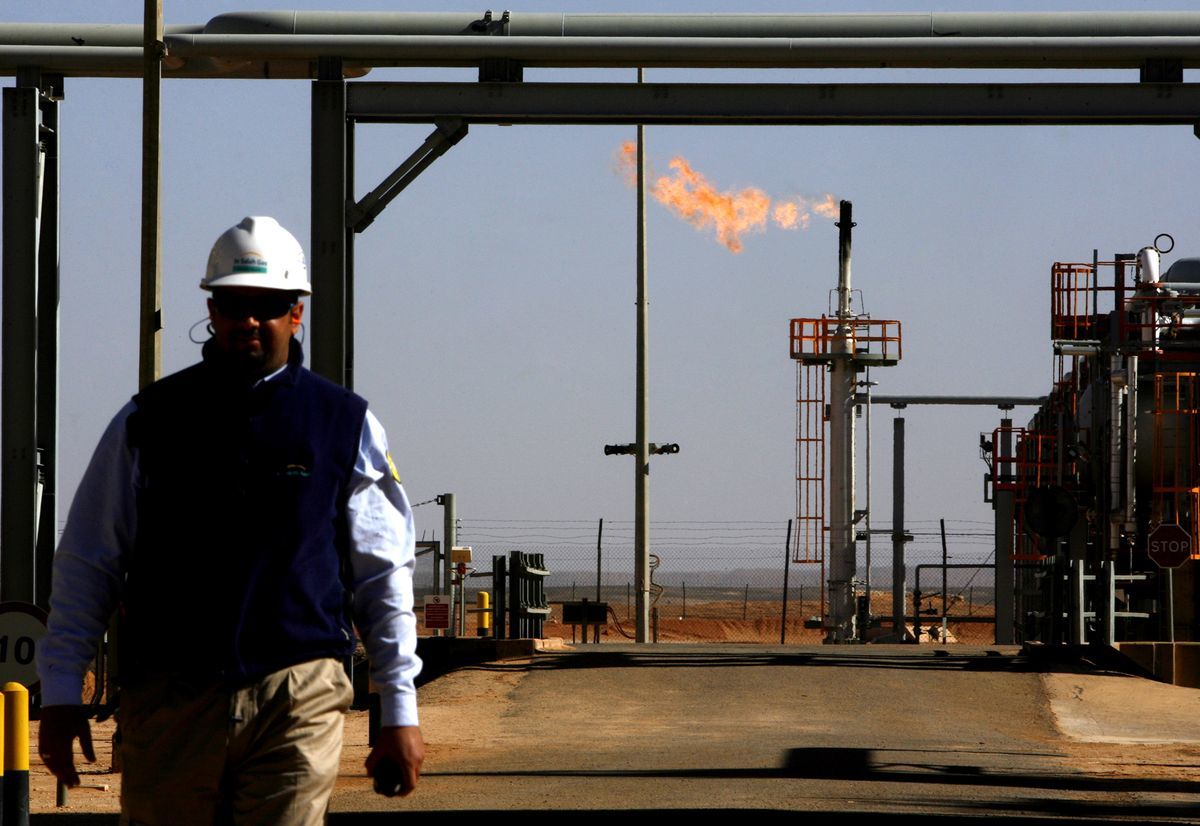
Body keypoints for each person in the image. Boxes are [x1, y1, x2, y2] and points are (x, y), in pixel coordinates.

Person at [36, 215, 423, 824]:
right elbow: (90, 562)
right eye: (232, 304)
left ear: (297, 313)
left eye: (266, 306)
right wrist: (60, 693)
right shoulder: (148, 423)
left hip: (297, 696)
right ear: (212, 311)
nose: (248, 320)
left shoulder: (343, 425)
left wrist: (399, 709)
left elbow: (383, 574)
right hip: (170, 701)